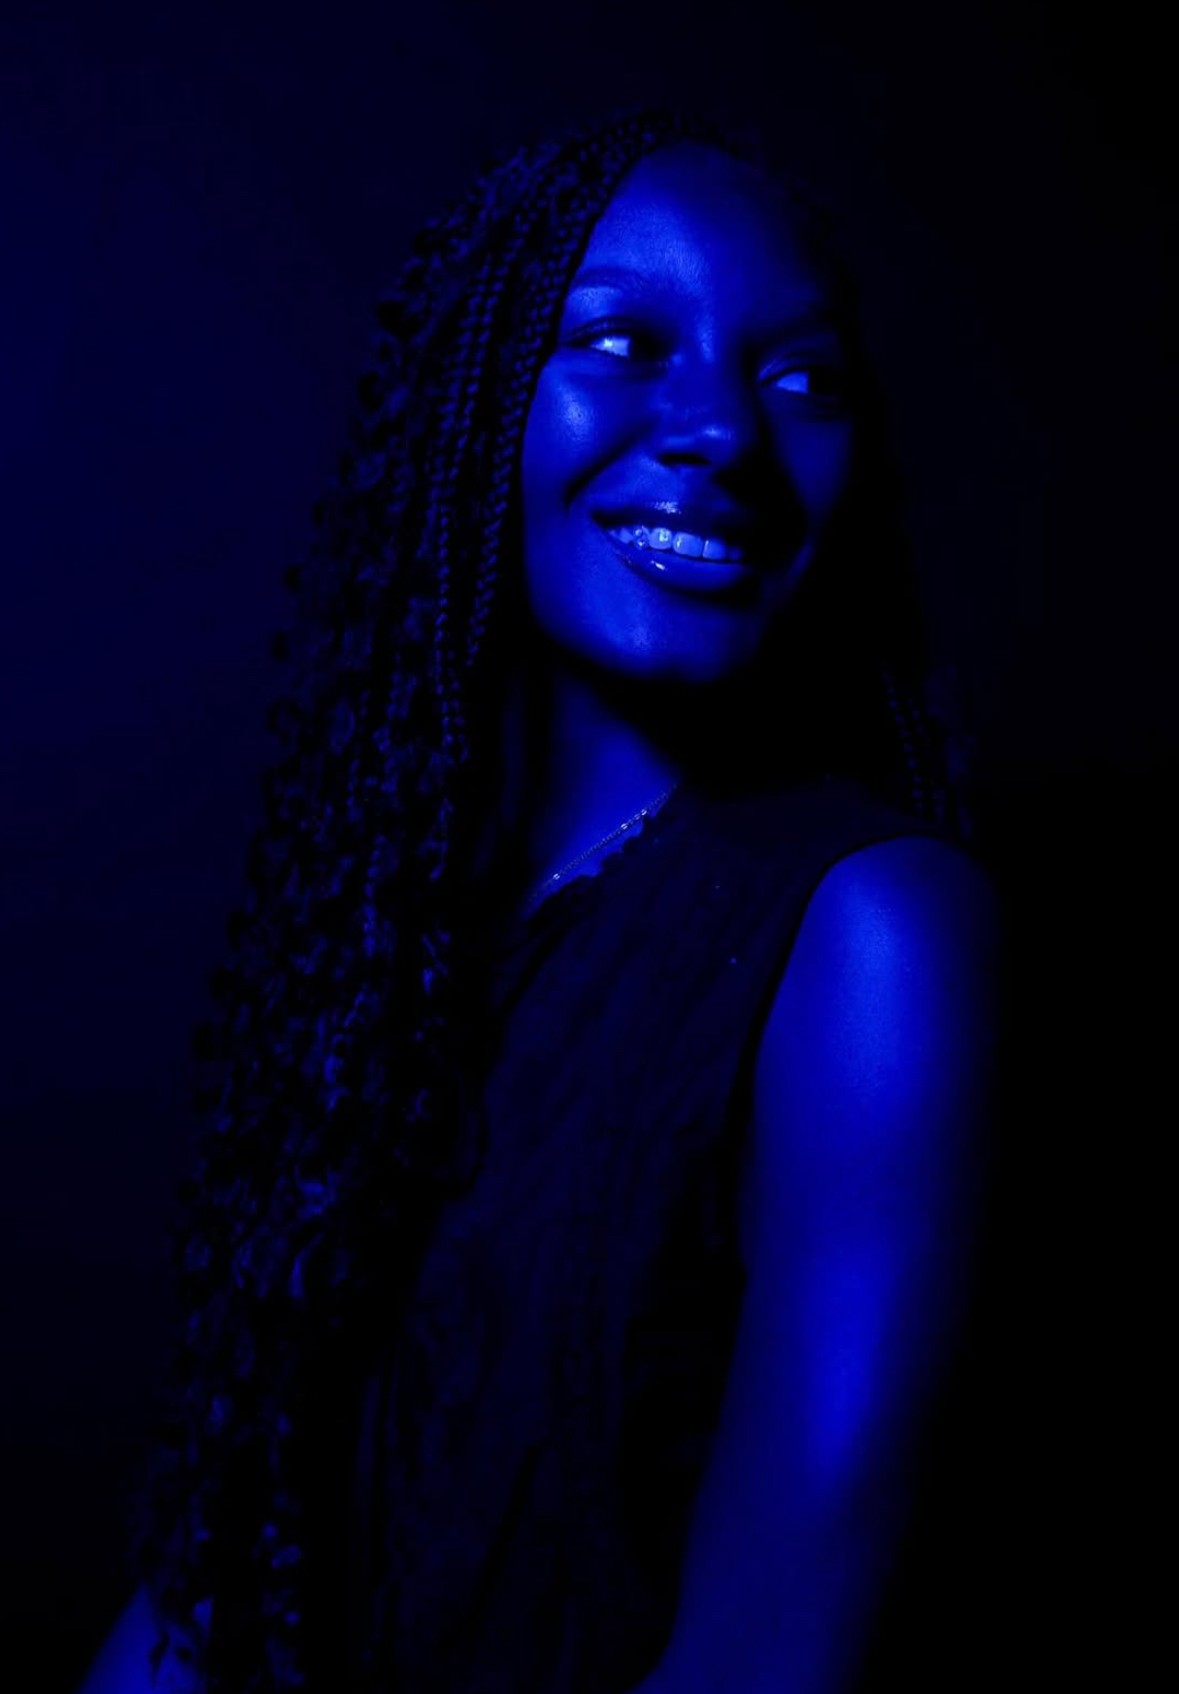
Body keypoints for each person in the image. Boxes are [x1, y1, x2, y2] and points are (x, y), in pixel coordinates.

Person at [78, 105, 1002, 1694]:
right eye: (624, 342)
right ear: (481, 392)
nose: (722, 430)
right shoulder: (386, 936)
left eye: (802, 379)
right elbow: (211, 1576)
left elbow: (766, 1661)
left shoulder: (871, 937)